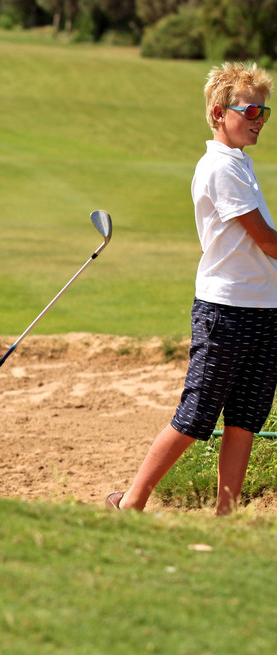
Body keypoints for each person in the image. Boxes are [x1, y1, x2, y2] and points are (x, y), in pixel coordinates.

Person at [108, 62, 277, 516]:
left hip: (262, 306)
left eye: (265, 112)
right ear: (220, 113)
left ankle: (226, 516)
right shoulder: (219, 168)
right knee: (197, 415)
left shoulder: (240, 164)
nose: (260, 120)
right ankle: (131, 502)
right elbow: (265, 239)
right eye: (251, 112)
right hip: (226, 308)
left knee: (245, 419)